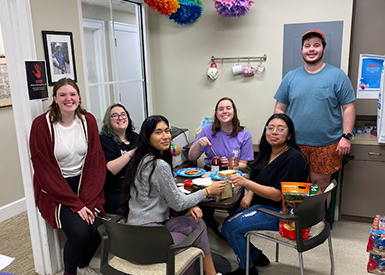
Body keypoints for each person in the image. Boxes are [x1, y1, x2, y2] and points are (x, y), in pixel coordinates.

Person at [124, 115, 227, 275]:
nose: (165, 136)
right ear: (147, 137)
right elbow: (177, 204)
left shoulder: (142, 160)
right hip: (149, 236)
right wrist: (208, 191)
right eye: (158, 132)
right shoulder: (158, 165)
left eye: (167, 131)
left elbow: (170, 191)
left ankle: (210, 273)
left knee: (197, 223)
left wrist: (191, 203)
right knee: (196, 240)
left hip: (136, 231)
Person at [29, 78, 105, 275]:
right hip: (55, 188)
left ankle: (83, 265)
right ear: (55, 98)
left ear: (79, 98)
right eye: (62, 94)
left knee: (97, 229)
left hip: (85, 184)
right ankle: (69, 273)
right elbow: (43, 169)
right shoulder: (41, 125)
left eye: (72, 94)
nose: (68, 99)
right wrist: (76, 204)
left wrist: (87, 200)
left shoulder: (88, 121)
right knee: (79, 234)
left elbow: (96, 161)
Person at [220, 114, 309, 275]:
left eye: (280, 129)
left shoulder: (294, 159)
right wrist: (249, 194)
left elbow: (277, 195)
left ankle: (247, 270)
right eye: (270, 128)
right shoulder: (268, 151)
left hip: (284, 214)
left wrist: (246, 183)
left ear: (289, 135)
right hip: (263, 204)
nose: (274, 132)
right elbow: (257, 175)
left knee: (232, 227)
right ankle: (256, 255)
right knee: (225, 226)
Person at [274, 29, 356, 194]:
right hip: (294, 143)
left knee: (320, 186)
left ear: (323, 49)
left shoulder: (338, 76)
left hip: (326, 144)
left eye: (316, 45)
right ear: (302, 50)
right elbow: (279, 108)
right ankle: (294, 220)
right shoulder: (291, 77)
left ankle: (318, 220)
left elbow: (349, 107)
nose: (311, 49)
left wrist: (346, 137)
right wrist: (280, 133)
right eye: (307, 46)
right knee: (295, 184)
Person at [188, 97, 254, 237]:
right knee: (206, 209)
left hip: (233, 175)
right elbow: (191, 157)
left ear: (234, 112)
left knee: (235, 209)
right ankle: (214, 226)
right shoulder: (207, 130)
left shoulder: (244, 134)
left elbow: (244, 164)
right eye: (221, 109)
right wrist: (199, 143)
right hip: (210, 174)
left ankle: (233, 228)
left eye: (228, 108)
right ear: (216, 114)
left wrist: (231, 164)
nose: (225, 111)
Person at [100, 103, 139, 214]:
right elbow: (109, 170)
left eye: (123, 114)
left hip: (138, 188)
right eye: (115, 115)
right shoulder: (104, 140)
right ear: (108, 120)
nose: (120, 117)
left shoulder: (135, 137)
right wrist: (132, 153)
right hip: (119, 194)